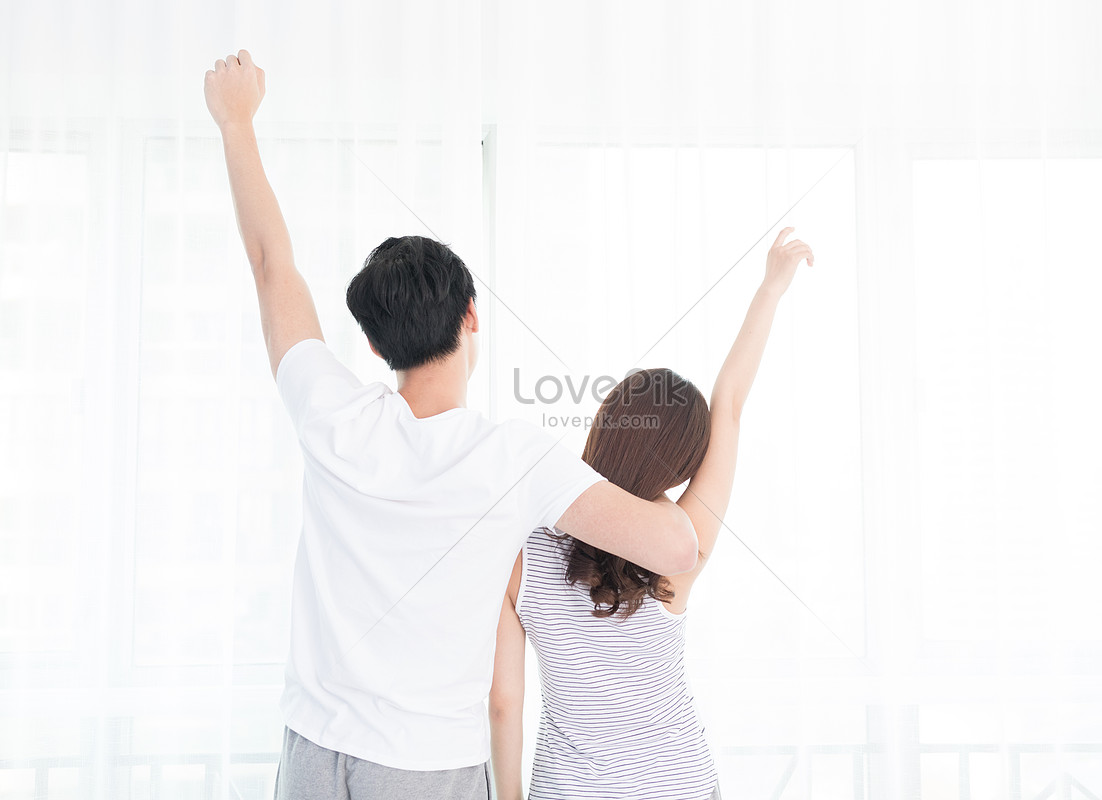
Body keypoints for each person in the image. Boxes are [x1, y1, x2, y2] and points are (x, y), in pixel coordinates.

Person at [203, 50, 699, 800]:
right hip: (424, 769)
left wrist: (235, 121)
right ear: (473, 317)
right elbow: (677, 547)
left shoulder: (330, 415)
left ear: (372, 345)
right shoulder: (517, 461)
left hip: (312, 751)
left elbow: (272, 264)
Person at [489, 227, 814, 799]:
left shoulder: (522, 554)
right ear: (683, 468)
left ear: (604, 424)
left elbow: (503, 702)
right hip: (677, 784)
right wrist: (770, 289)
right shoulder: (679, 552)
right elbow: (730, 406)